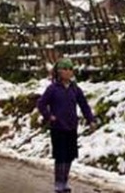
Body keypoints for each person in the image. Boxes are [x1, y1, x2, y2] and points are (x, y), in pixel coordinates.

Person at [37, 58, 96, 193]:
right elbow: (41, 103)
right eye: (65, 69)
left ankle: (65, 181)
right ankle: (58, 183)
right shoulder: (53, 89)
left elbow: (84, 105)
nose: (69, 72)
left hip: (71, 126)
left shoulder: (75, 89)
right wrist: (49, 116)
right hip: (58, 127)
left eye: (71, 69)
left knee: (69, 155)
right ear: (59, 72)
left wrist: (90, 119)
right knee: (60, 155)